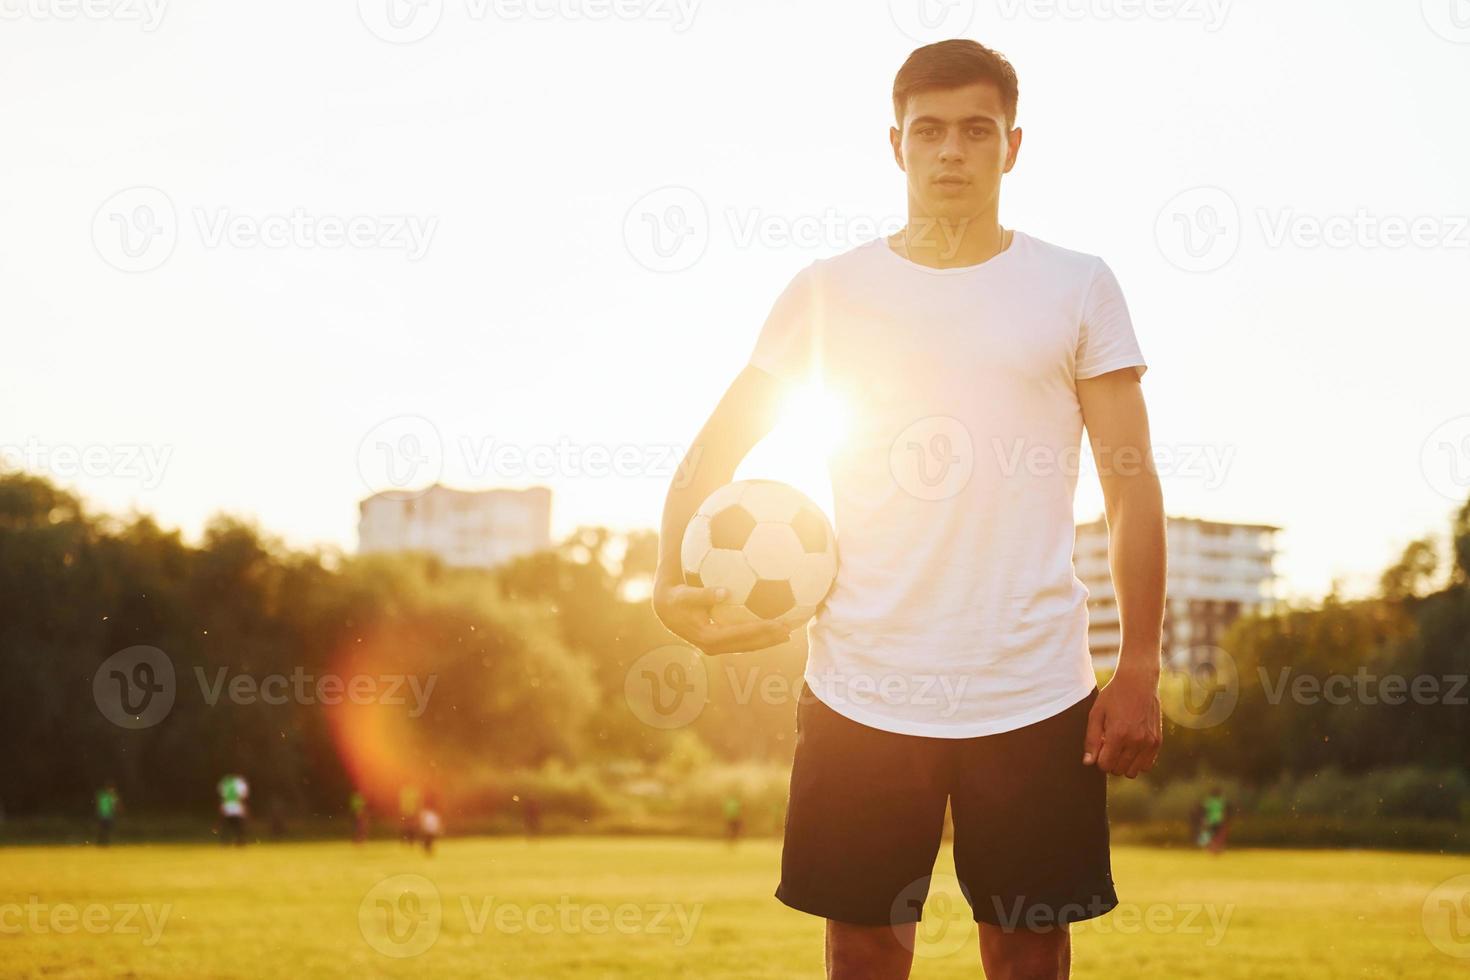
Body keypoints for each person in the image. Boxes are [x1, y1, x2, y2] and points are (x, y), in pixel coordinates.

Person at [652, 40, 1165, 980]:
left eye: (976, 130)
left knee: (1027, 954)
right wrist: (664, 581)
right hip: (863, 688)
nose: (951, 153)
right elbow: (714, 451)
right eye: (928, 132)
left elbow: (1130, 483)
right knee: (861, 952)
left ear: (1013, 145)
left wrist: (1138, 664)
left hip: (1035, 689)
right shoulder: (827, 293)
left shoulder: (1077, 285)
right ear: (896, 145)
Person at [1199, 786, 1234, 854]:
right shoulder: (1218, 800)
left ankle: (1214, 848)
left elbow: (1204, 810)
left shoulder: (1211, 800)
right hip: (1216, 820)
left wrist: (1204, 818)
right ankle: (1215, 848)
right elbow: (1226, 809)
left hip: (1214, 820)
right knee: (1216, 834)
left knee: (1213, 834)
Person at [217, 773, 249, 846]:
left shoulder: (225, 782)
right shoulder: (240, 782)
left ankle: (225, 841)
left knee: (227, 825)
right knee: (239, 825)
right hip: (237, 806)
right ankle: (240, 841)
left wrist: (222, 806)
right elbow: (242, 796)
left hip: (227, 806)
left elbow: (222, 796)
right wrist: (244, 806)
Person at [418, 790, 443, 855]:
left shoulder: (427, 813)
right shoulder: (429, 813)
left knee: (429, 841)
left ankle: (428, 850)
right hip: (430, 829)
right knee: (429, 841)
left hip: (430, 829)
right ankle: (428, 850)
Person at [95, 782, 120, 846]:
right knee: (102, 829)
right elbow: (99, 804)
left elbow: (115, 805)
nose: (112, 790)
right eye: (111, 789)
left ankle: (105, 842)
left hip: (109, 815)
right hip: (102, 815)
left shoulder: (112, 796)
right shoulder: (103, 795)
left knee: (107, 830)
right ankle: (100, 842)